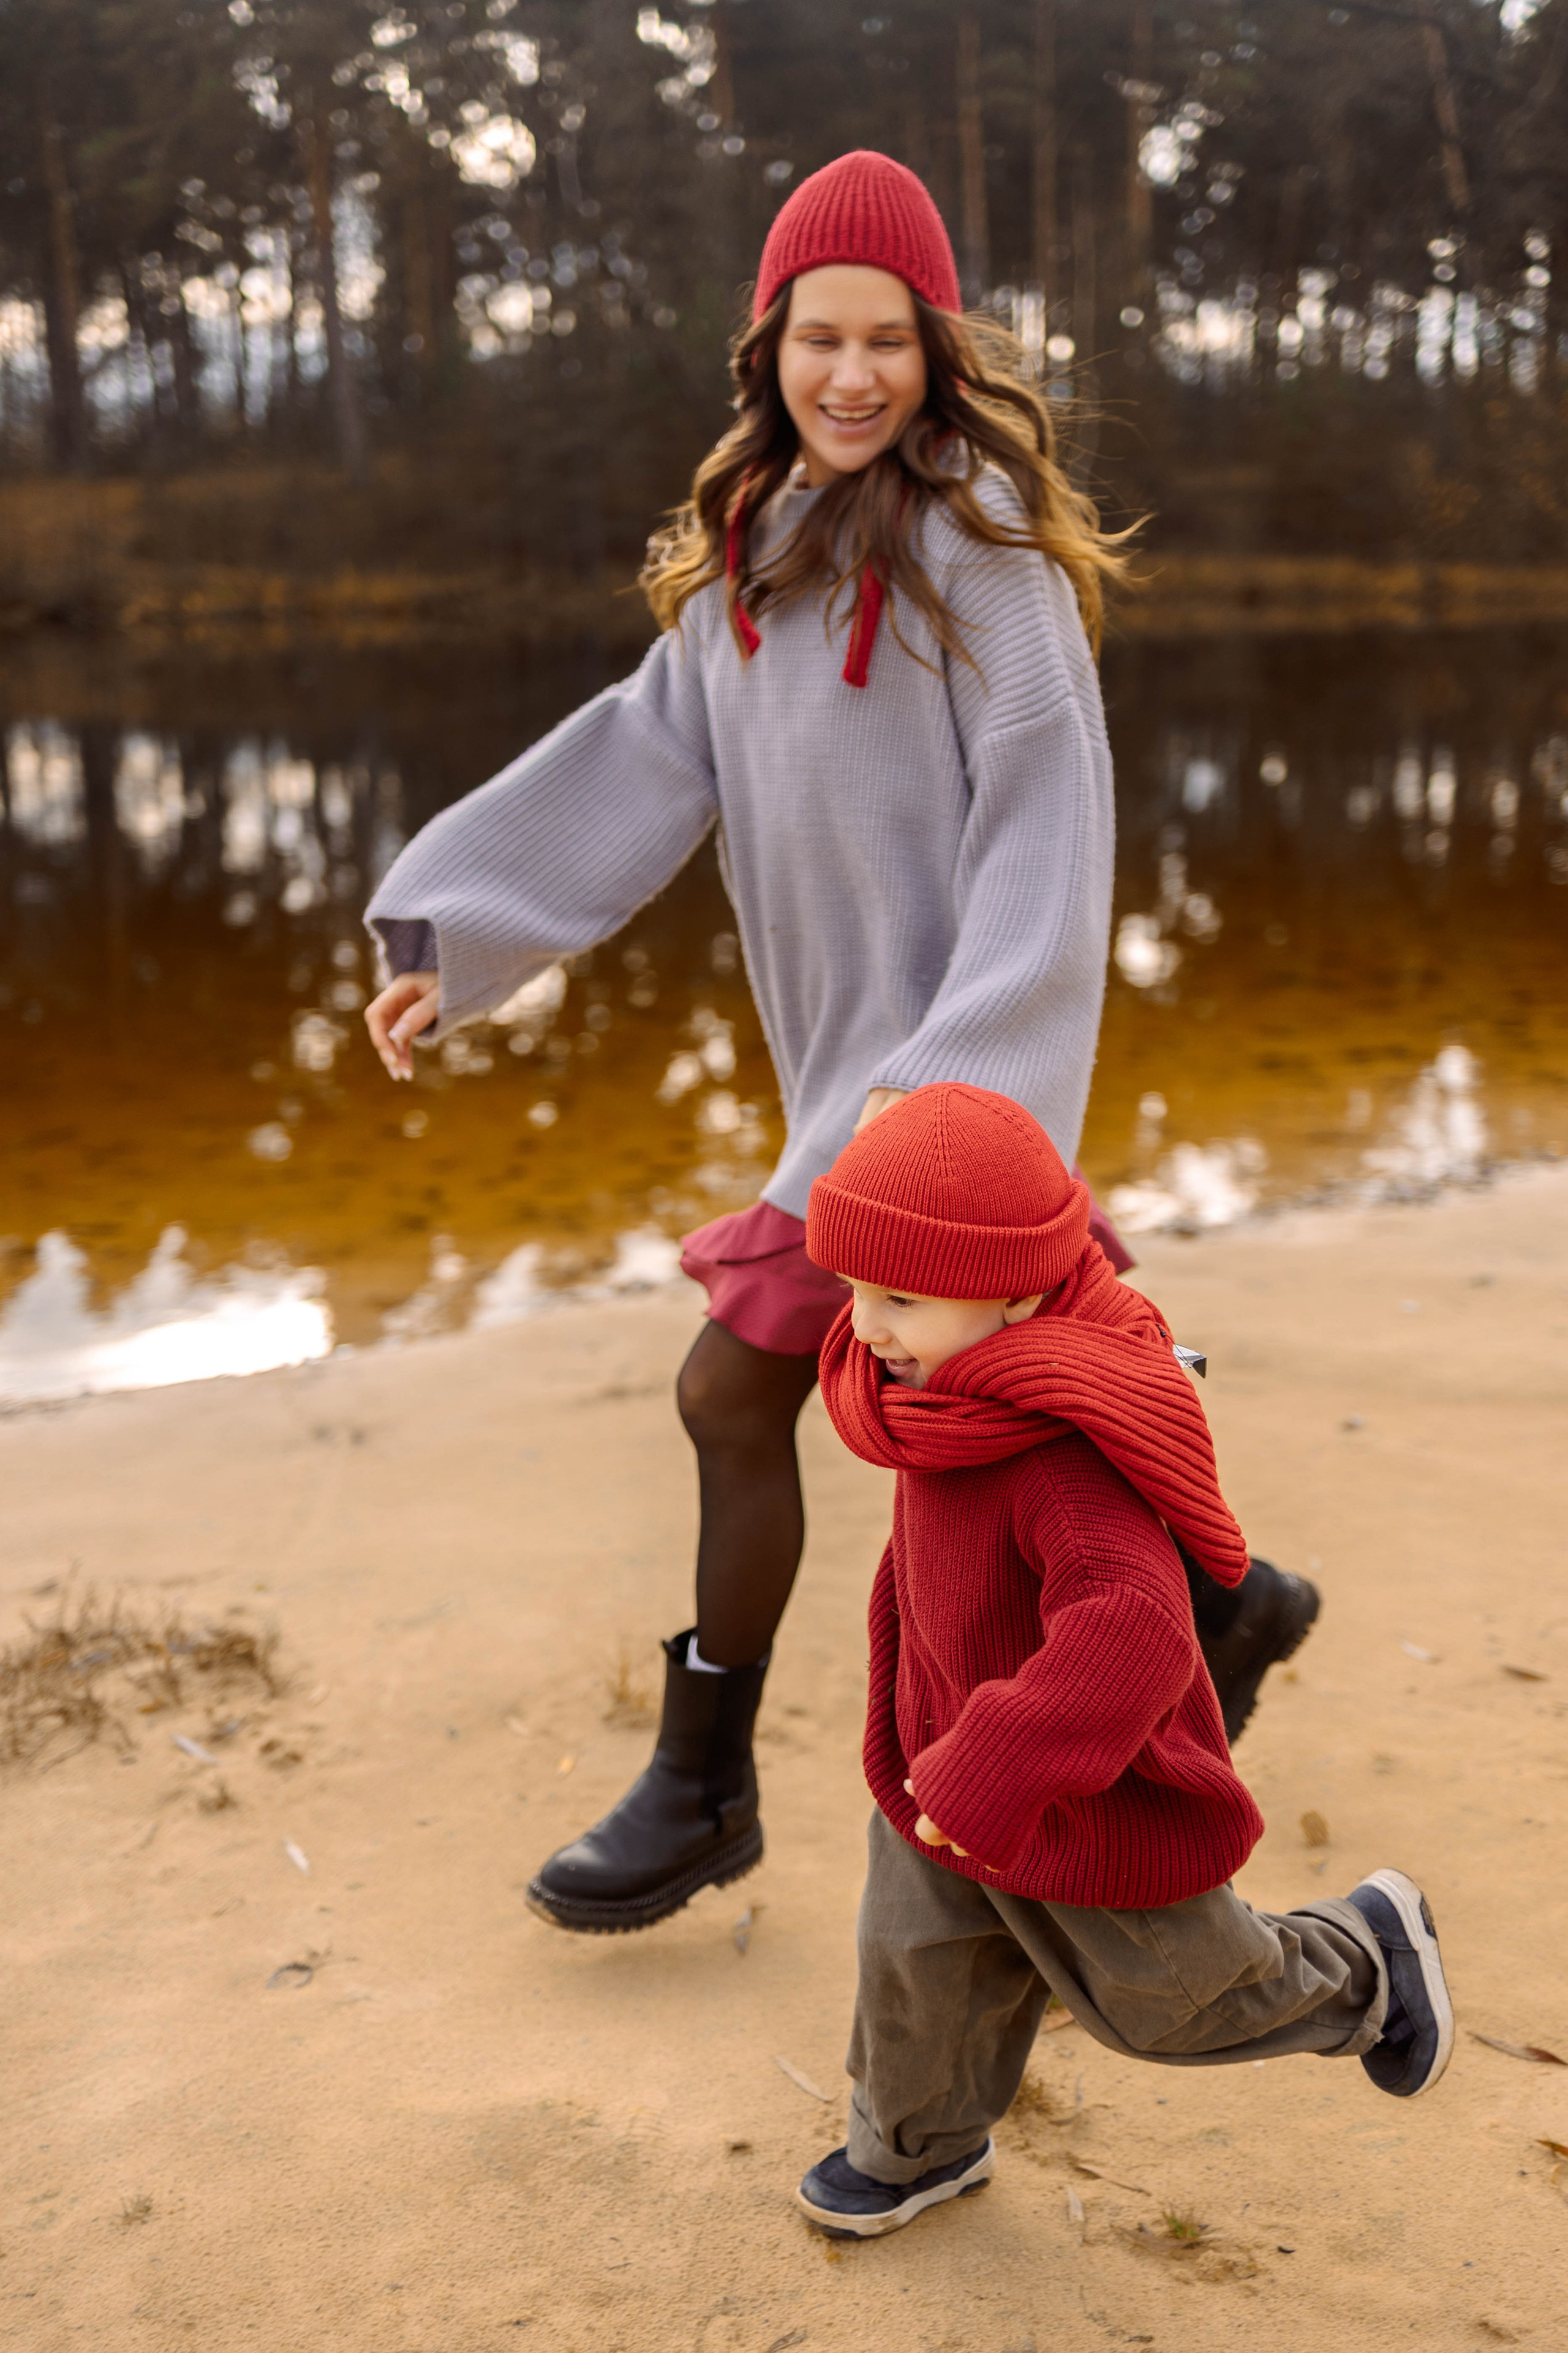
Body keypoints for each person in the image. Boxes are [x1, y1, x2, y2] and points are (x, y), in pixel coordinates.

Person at [362, 150, 1315, 1938]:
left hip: (942, 1099)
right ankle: (1224, 1603)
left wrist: (957, 1094)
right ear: (769, 349)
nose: (854, 375)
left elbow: (1050, 825)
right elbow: (634, 765)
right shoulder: (749, 567)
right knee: (1042, 1407)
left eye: (889, 341)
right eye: (822, 339)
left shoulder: (986, 553)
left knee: (744, 1388)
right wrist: (460, 938)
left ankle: (705, 1784)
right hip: (848, 1095)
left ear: (938, 356)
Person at [791, 1082, 1452, 2238]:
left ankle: (1365, 1959)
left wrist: (989, 1764)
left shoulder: (1061, 1455)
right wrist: (919, 1728)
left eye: (898, 1293)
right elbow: (928, 1562)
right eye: (851, 1286)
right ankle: (915, 2147)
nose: (867, 1324)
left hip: (1076, 1787)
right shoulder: (940, 1391)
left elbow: (1134, 1630)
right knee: (914, 1961)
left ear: (1019, 1291)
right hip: (939, 1762)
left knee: (1174, 2000)